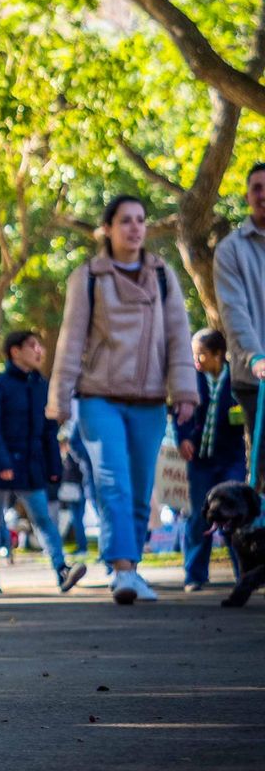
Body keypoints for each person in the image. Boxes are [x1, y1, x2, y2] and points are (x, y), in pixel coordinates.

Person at [48, 194, 197, 605]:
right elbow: (70, 340)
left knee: (139, 487)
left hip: (150, 399)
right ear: (108, 229)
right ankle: (123, 571)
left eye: (140, 220)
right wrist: (59, 401)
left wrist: (185, 392)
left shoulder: (163, 275)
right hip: (99, 399)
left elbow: (178, 339)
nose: (135, 228)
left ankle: (132, 566)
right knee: (112, 480)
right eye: (126, 221)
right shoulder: (89, 277)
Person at [0, 332, 87, 595]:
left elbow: (49, 432)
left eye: (40, 345)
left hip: (31, 467)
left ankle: (62, 570)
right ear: (15, 351)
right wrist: (1, 462)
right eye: (32, 345)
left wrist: (53, 468)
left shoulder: (42, 386)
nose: (39, 351)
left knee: (44, 519)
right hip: (0, 468)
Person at [176, 329, 248, 591]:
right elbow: (178, 410)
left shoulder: (237, 380)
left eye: (201, 355)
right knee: (198, 516)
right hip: (200, 461)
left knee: (234, 515)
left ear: (218, 355)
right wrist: (182, 438)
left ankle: (244, 573)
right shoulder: (191, 379)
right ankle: (194, 575)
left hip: (231, 459)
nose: (196, 361)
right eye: (194, 355)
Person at [213, 162, 265, 490]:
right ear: (247, 196)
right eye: (257, 188)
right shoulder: (230, 250)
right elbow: (234, 314)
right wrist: (256, 357)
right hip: (255, 378)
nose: (263, 194)